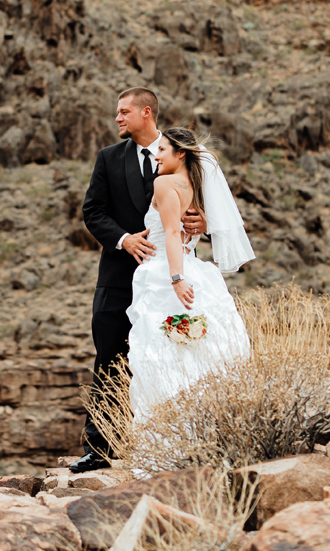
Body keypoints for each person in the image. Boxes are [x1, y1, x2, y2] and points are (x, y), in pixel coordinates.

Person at [74, 88, 207, 473]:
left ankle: (179, 441)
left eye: (124, 112)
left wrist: (204, 224)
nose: (117, 118)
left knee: (174, 356)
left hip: (168, 282)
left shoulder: (184, 153)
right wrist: (123, 238)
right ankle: (100, 449)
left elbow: (203, 210)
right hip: (118, 277)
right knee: (110, 356)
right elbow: (92, 210)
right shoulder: (109, 159)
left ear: (146, 113)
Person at [126, 127, 254, 426]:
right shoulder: (196, 186)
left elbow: (171, 232)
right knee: (196, 353)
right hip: (195, 268)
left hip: (166, 271)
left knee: (162, 354)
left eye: (162, 150)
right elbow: (209, 223)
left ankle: (168, 428)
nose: (155, 155)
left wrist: (175, 278)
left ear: (180, 153)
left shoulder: (164, 183)